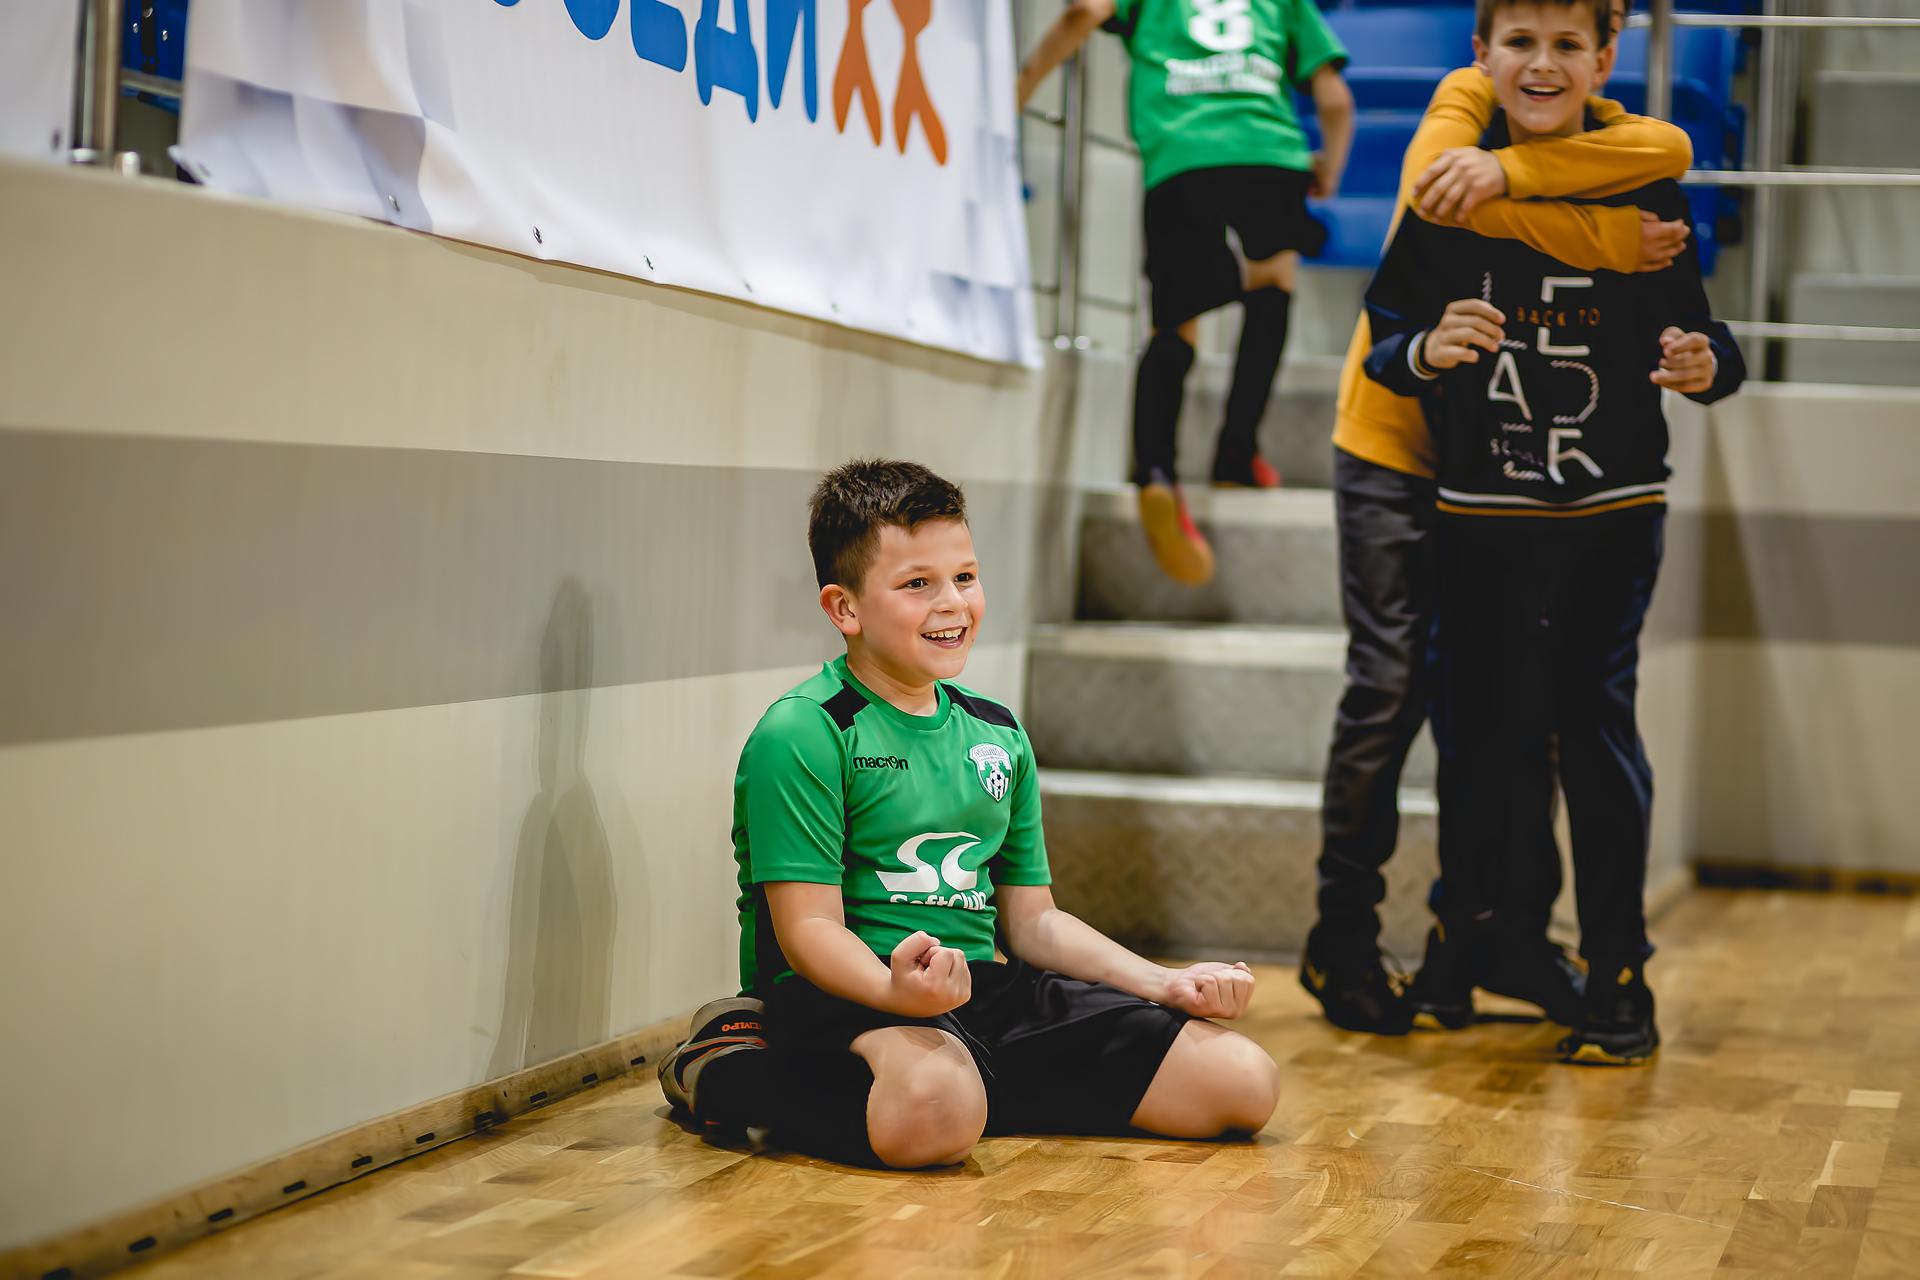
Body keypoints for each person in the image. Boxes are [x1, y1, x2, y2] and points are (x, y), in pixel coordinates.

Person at [657, 459, 1280, 1166]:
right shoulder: (805, 731)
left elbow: (1033, 922)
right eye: (917, 584)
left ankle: (958, 1091)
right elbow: (809, 931)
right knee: (936, 1114)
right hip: (845, 992)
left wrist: (1163, 982)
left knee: (1243, 1083)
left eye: (965, 576)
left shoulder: (997, 732)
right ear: (844, 608)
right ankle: (726, 1065)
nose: (952, 603)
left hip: (981, 989)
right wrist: (894, 990)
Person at [1300, 0, 1695, 1036]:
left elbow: (1669, 148)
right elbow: (1444, 198)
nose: (1543, 59)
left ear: (1606, 46)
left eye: (1571, 41)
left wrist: (1514, 178)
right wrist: (1608, 235)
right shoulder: (1465, 96)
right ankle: (1343, 937)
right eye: (1523, 40)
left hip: (1514, 470)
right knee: (1391, 689)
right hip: (1398, 443)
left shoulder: (1610, 126)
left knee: (1504, 713)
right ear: (1485, 46)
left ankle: (1493, 937)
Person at [1016, 0, 1355, 585]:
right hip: (1268, 154)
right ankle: (1236, 451)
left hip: (1181, 159)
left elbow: (1083, 12)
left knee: (1176, 323)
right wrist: (1331, 167)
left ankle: (1155, 471)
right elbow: (1336, 100)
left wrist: (1020, 87)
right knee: (1272, 285)